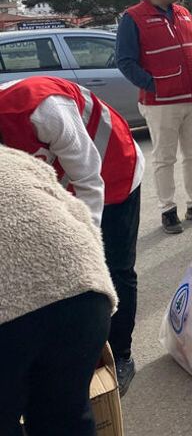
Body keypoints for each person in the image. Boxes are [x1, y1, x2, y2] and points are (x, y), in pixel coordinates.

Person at [0, 76, 144, 397]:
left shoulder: (42, 109)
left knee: (112, 267)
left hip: (112, 171)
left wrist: (87, 246)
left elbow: (91, 182)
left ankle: (120, 353)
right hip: (57, 183)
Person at [0, 145, 119, 435]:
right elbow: (80, 216)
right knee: (65, 416)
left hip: (10, 312)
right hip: (82, 295)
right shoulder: (13, 159)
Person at [117, 0, 192, 234]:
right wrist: (155, 85)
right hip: (161, 103)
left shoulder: (184, 14)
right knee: (165, 158)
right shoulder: (133, 18)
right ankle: (168, 210)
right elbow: (125, 62)